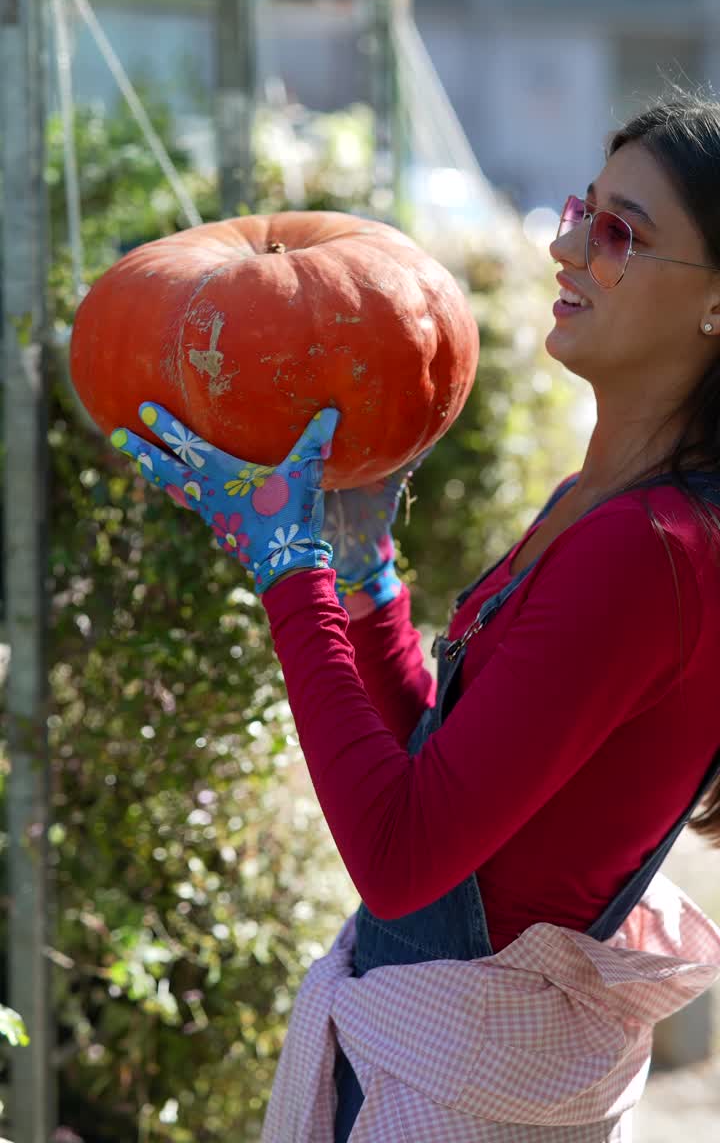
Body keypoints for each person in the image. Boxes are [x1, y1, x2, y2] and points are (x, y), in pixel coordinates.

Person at [112, 92, 720, 1141]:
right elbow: (446, 769)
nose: (566, 244)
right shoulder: (608, 503)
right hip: (447, 1061)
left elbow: (401, 855)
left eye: (621, 232)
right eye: (584, 207)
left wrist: (289, 566)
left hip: (460, 1098)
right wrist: (359, 572)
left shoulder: (650, 549)